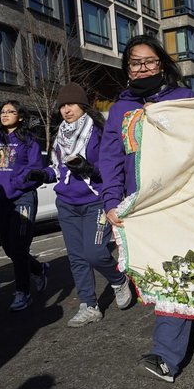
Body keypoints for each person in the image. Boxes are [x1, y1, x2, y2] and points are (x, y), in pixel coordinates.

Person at [100, 34, 194, 383]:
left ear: (162, 63)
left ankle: (166, 355)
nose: (143, 68)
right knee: (156, 274)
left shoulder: (184, 100)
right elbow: (110, 158)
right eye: (135, 63)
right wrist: (112, 201)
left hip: (179, 204)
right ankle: (192, 320)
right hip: (138, 207)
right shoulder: (120, 109)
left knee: (174, 273)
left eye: (149, 61)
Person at [27, 83, 133, 327]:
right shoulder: (60, 136)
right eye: (62, 105)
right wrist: (42, 175)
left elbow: (110, 167)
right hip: (66, 204)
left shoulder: (98, 132)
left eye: (71, 104)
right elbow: (56, 169)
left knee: (95, 253)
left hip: (95, 201)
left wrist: (90, 169)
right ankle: (89, 305)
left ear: (83, 106)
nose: (66, 110)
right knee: (77, 257)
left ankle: (118, 280)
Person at [0, 101, 48, 312]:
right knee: (8, 248)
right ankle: (39, 269)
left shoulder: (30, 141)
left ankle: (23, 292)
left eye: (10, 111)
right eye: (2, 112)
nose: (4, 115)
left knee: (19, 246)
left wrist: (16, 182)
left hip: (23, 198)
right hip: (2, 198)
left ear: (20, 116)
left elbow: (36, 173)